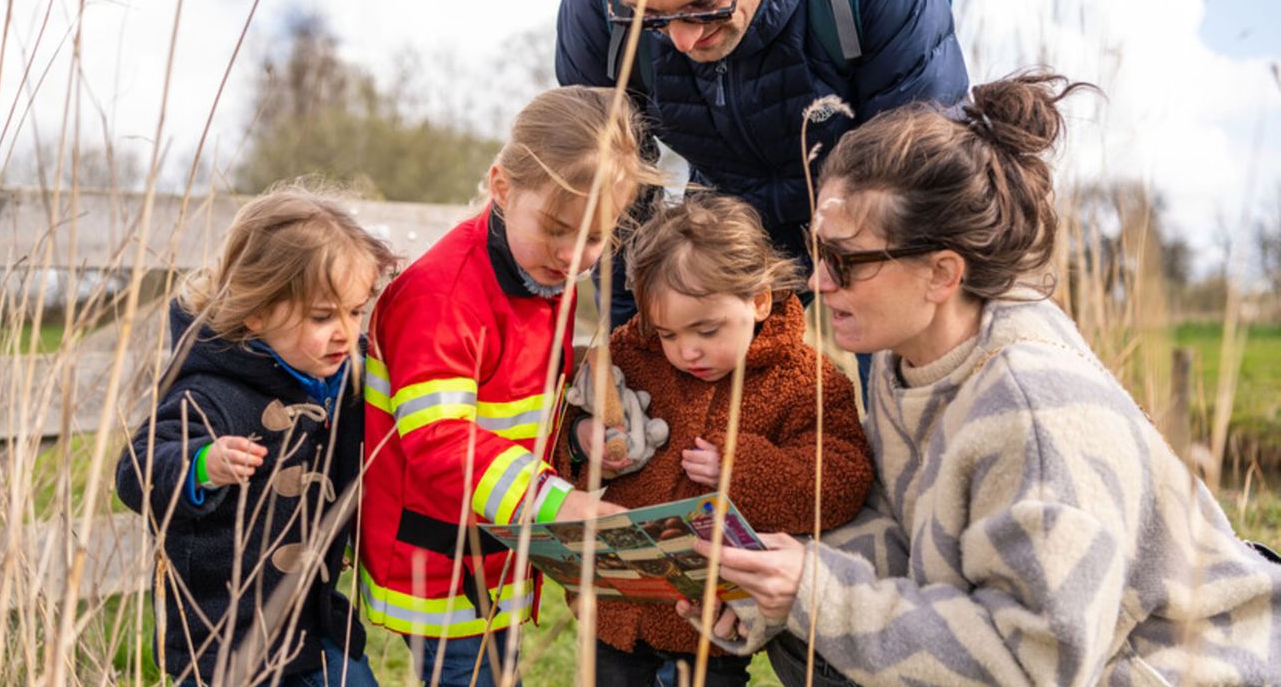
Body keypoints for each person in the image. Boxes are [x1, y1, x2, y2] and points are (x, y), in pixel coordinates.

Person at [687, 72, 1281, 685]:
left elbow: (1037, 666)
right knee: (808, 638)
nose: (817, 283)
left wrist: (817, 596)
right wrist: (765, 591)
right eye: (817, 251)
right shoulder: (910, 362)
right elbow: (897, 532)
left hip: (1174, 670)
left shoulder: (1035, 414)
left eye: (845, 261)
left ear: (942, 273)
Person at [358, 86, 662, 686]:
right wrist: (559, 503)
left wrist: (577, 436)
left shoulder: (544, 273)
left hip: (494, 548)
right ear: (501, 188)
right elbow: (440, 439)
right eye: (557, 228)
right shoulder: (443, 297)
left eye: (595, 238)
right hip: (440, 563)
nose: (574, 253)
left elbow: (519, 403)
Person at [556, 0, 970, 340]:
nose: (682, 40)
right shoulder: (597, 2)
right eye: (647, 14)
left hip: (866, 208)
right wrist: (632, 344)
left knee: (902, 358)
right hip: (727, 209)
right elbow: (613, 202)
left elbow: (915, 182)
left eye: (704, 4)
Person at [552, 192, 873, 685]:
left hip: (714, 617)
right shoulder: (633, 352)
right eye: (668, 334)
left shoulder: (807, 379)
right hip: (620, 602)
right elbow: (561, 428)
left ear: (759, 300)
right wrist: (581, 439)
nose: (687, 351)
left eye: (706, 329)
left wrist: (740, 468)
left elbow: (842, 480)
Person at [114, 185, 398, 686]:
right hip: (226, 641)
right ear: (257, 309)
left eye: (355, 312)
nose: (346, 332)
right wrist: (203, 463)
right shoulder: (209, 392)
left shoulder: (350, 382)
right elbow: (135, 470)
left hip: (317, 626)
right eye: (322, 316)